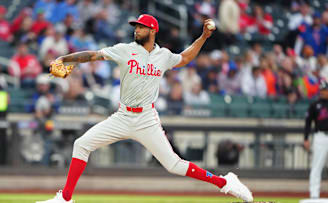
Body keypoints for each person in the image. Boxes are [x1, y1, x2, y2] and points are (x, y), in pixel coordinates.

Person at [36, 14, 253, 203]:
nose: (136, 30)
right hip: (122, 116)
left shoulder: (163, 55)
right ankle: (64, 198)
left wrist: (204, 37)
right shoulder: (124, 50)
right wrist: (65, 59)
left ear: (152, 30)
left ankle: (225, 181)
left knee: (173, 165)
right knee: (81, 144)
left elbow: (186, 57)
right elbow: (93, 55)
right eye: (135, 27)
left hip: (147, 119)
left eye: (140, 27)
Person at [304, 80, 328, 199]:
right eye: (321, 90)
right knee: (316, 166)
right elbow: (308, 122)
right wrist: (306, 138)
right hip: (320, 137)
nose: (322, 92)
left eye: (325, 90)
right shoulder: (315, 105)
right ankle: (314, 194)